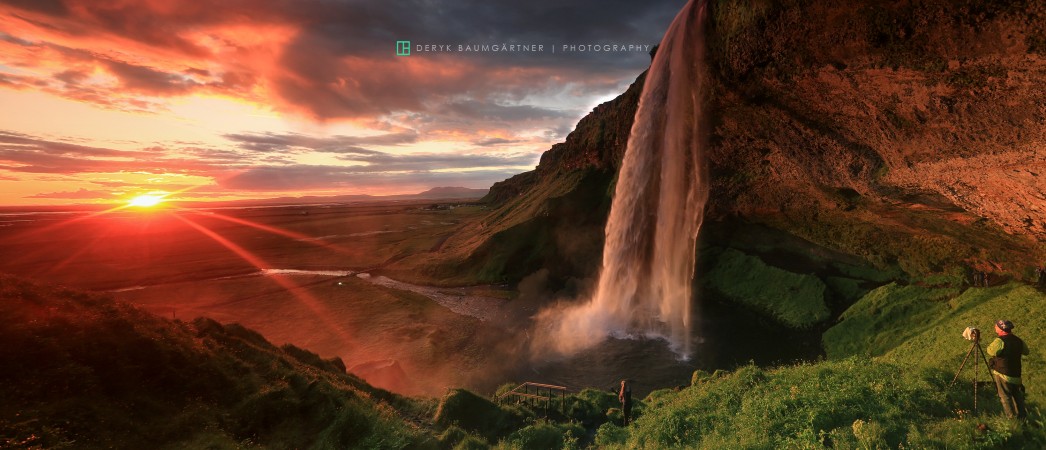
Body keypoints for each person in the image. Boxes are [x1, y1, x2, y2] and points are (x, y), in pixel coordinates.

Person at [987, 319, 1029, 419]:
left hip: (1003, 374)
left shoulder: (1000, 341)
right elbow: (1026, 351)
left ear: (1001, 329)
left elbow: (990, 351)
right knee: (1017, 396)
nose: (995, 327)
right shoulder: (1018, 340)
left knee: (1005, 397)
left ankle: (1012, 419)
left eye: (996, 326)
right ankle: (1023, 418)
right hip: (1016, 374)